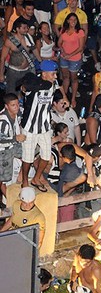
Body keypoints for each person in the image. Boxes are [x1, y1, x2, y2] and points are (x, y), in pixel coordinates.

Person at [21, 60, 62, 192]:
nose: (55, 76)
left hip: (44, 127)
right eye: (53, 74)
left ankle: (36, 178)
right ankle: (25, 181)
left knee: (46, 155)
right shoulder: (33, 84)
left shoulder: (53, 84)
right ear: (44, 74)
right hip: (30, 127)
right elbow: (25, 87)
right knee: (27, 157)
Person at [0, 93, 25, 202]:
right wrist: (15, 138)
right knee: (4, 178)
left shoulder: (19, 113)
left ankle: (22, 175)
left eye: (17, 104)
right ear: (6, 106)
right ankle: (9, 200)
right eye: (13, 105)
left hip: (15, 146)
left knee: (31, 152)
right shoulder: (3, 121)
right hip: (4, 150)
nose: (16, 107)